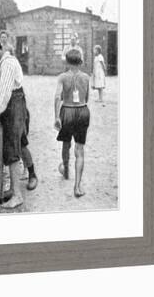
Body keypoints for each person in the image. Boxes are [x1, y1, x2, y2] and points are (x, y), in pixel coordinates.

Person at [0, 36, 37, 208]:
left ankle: (17, 195)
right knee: (19, 143)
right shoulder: (5, 62)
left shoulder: (8, 63)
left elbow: (4, 92)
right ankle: (17, 186)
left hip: (13, 105)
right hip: (15, 104)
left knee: (12, 150)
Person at [54, 49, 91, 198]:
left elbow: (57, 97)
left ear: (67, 62)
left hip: (67, 111)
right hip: (82, 111)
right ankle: (77, 186)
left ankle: (66, 170)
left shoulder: (62, 77)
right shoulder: (86, 77)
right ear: (80, 61)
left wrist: (56, 117)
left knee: (65, 143)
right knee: (79, 149)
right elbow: (87, 97)